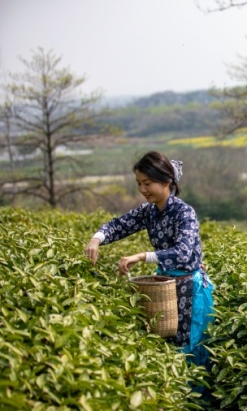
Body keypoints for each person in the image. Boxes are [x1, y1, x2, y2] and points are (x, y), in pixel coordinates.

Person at [83, 151, 214, 367]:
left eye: (148, 183)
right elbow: (119, 225)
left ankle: (195, 399)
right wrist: (96, 239)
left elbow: (182, 252)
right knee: (165, 346)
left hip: (190, 290)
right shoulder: (149, 212)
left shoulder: (184, 213)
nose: (143, 190)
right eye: (139, 184)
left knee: (189, 350)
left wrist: (142, 256)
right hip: (164, 287)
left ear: (166, 181)